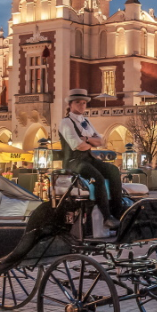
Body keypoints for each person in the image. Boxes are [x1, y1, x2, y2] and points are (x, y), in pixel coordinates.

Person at [59, 88, 122, 229]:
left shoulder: (85, 121)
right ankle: (107, 217)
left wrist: (86, 138)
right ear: (70, 104)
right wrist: (90, 142)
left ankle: (118, 212)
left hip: (88, 159)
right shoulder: (66, 122)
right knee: (97, 177)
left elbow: (100, 141)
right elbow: (79, 146)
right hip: (73, 161)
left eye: (84, 103)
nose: (82, 105)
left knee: (113, 170)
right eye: (78, 102)